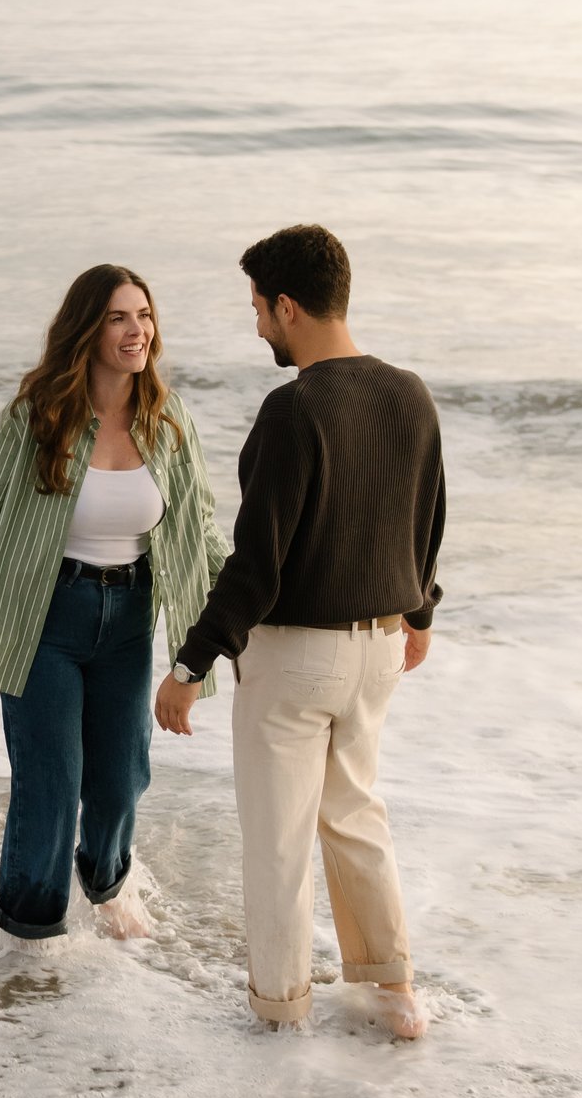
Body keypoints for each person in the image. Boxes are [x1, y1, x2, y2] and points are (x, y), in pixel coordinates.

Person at [155, 225, 446, 1039]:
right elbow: (425, 518)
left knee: (279, 842)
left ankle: (280, 1014)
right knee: (356, 816)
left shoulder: (293, 409)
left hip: (294, 656)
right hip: (380, 648)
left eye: (257, 308)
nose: (257, 327)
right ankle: (394, 996)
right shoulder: (410, 393)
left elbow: (259, 561)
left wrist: (190, 662)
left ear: (287, 306)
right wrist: (419, 612)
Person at [0, 264, 231, 942]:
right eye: (118, 317)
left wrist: (255, 607)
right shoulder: (38, 414)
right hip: (46, 618)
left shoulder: (168, 417)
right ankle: (29, 932)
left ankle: (106, 883)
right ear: (87, 329)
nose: (138, 331)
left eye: (145, 315)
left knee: (121, 779)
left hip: (129, 618)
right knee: (48, 786)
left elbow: (202, 527)